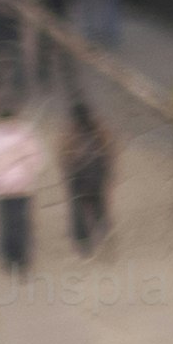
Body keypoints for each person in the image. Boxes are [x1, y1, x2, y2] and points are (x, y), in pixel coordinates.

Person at [0, 106, 46, 278]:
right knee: (20, 223)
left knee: (8, 223)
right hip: (22, 188)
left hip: (4, 190)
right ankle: (20, 260)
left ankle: (10, 258)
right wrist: (30, 174)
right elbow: (37, 158)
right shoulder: (25, 133)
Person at [60, 92, 115, 259]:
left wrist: (67, 174)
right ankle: (104, 236)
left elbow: (64, 157)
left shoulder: (71, 134)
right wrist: (109, 173)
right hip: (97, 177)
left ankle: (84, 245)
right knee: (99, 208)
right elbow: (110, 152)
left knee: (78, 211)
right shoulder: (99, 130)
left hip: (77, 178)